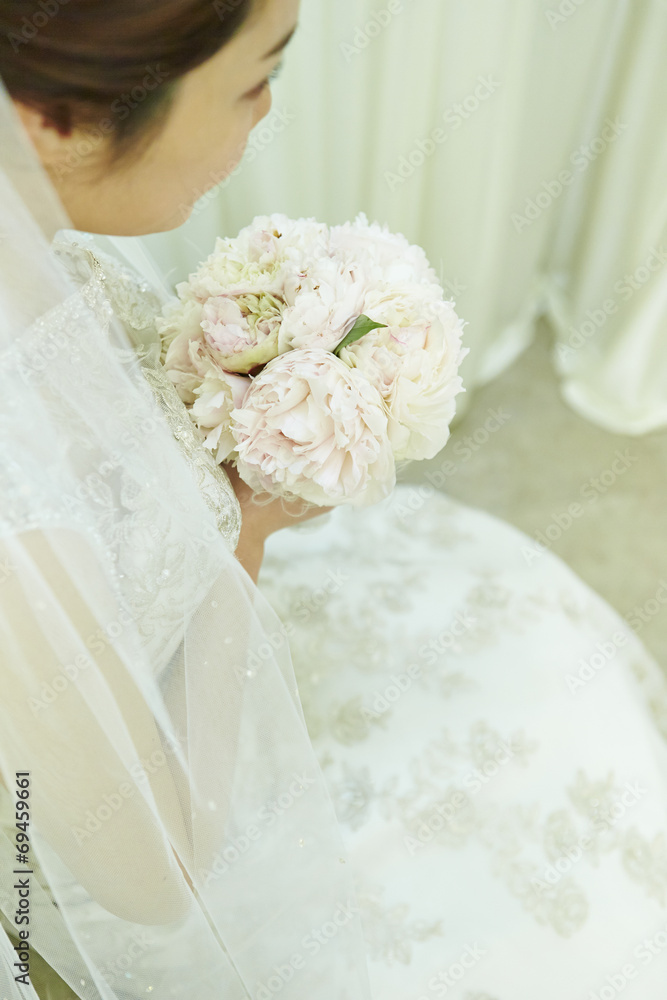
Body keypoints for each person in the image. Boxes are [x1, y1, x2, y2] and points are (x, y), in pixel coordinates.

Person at [0, 2, 666, 998]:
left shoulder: (25, 240)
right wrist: (244, 532)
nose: (268, 111)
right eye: (256, 78)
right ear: (53, 117)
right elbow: (157, 877)